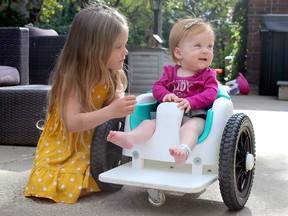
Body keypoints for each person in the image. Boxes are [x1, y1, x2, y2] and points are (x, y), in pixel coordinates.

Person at [24, 3, 136, 204]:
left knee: (98, 175)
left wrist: (117, 101)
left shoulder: (112, 73)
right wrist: (111, 111)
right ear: (94, 50)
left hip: (92, 139)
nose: (125, 51)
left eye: (124, 44)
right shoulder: (73, 78)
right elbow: (73, 123)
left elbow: (113, 101)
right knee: (53, 183)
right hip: (66, 142)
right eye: (119, 46)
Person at [107, 18, 218, 166]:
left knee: (190, 128)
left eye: (210, 46)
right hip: (167, 119)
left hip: (195, 116)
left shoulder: (208, 75)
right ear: (179, 53)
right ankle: (131, 138)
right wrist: (166, 94)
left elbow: (211, 93)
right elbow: (157, 87)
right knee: (148, 123)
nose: (206, 50)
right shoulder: (170, 72)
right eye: (198, 46)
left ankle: (183, 151)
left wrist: (192, 101)